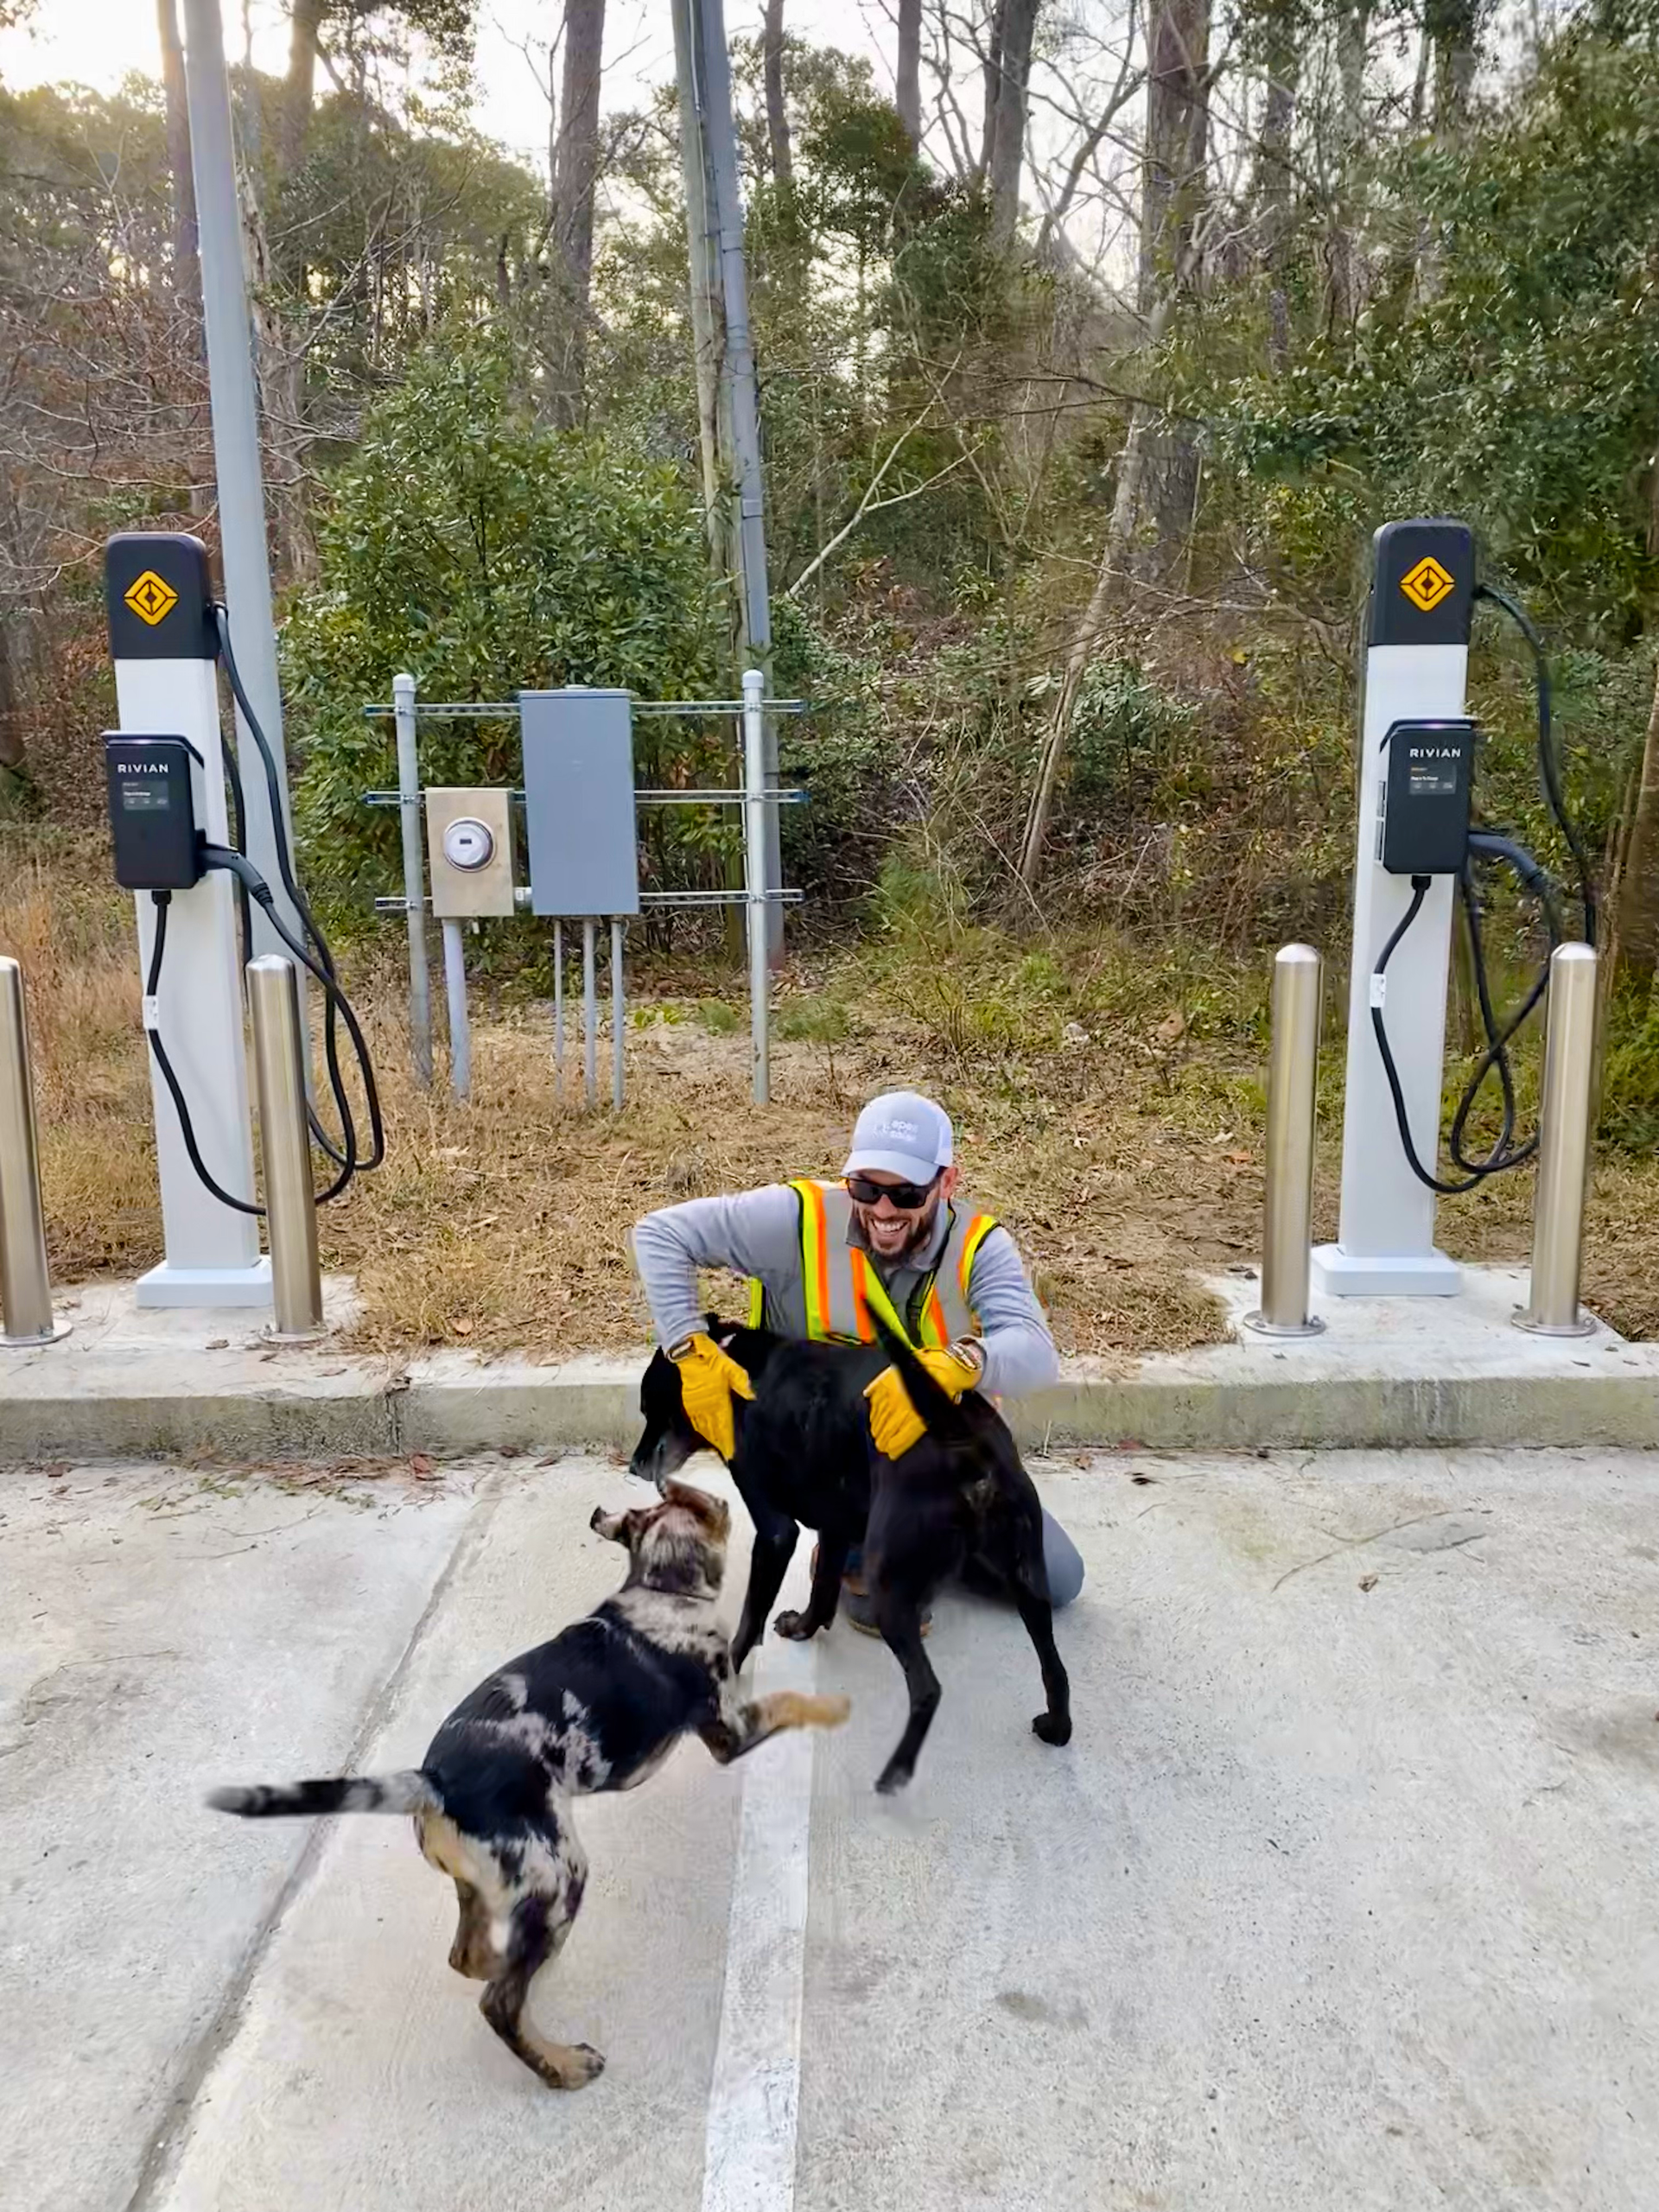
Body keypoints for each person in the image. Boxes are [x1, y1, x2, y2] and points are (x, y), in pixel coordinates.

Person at [630, 1089, 1084, 1630]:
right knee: (883, 1602)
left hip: (934, 1462)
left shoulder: (978, 1248)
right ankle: (853, 1548)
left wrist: (957, 1362)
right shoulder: (798, 1221)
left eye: (908, 1193)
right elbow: (660, 1234)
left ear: (947, 1183)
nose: (883, 1210)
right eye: (867, 1187)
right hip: (833, 1469)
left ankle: (933, 1538)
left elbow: (1036, 1352)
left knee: (1056, 1580)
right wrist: (688, 1349)